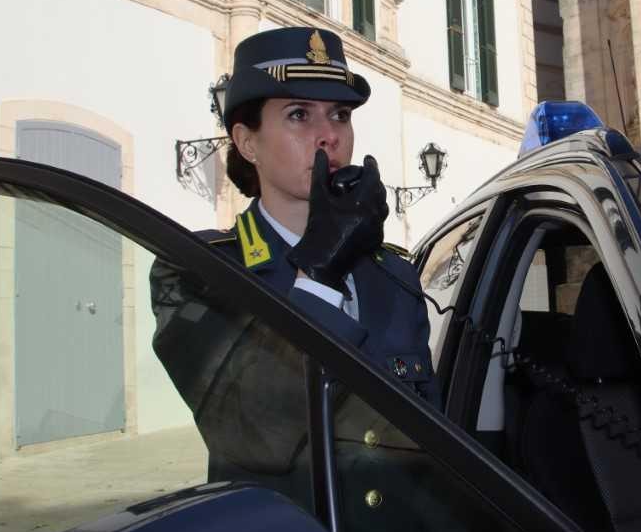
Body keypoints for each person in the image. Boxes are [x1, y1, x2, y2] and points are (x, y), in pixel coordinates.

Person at [149, 26, 440, 501]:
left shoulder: (394, 275)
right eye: (299, 114)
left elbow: (433, 453)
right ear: (247, 143)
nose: (329, 136)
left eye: (340, 115)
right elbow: (249, 429)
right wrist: (319, 275)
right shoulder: (199, 272)